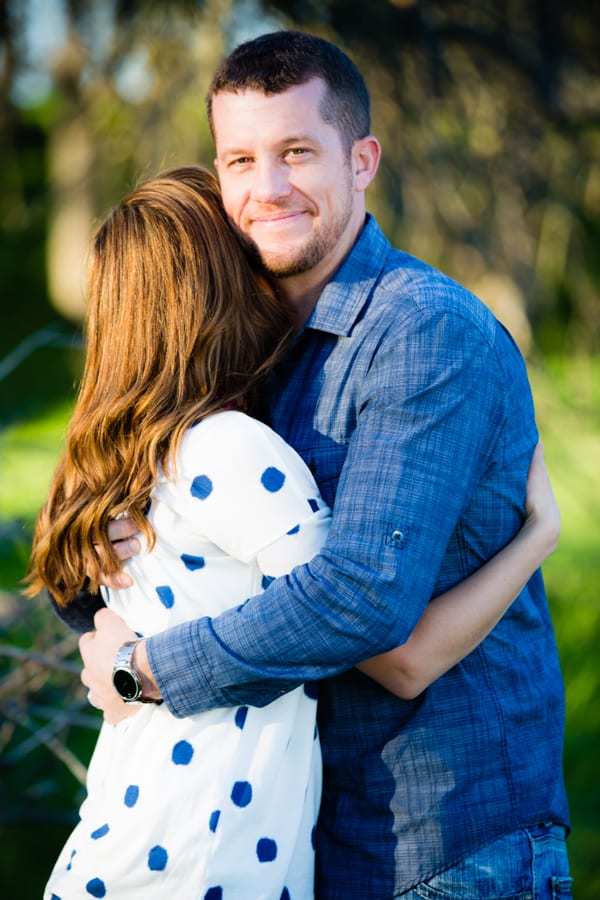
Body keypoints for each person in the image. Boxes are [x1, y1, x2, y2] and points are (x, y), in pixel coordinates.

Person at [48, 30, 571, 899]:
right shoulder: (240, 349)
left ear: (362, 160)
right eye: (240, 160)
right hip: (298, 843)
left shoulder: (420, 330)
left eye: (297, 152)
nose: (267, 189)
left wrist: (150, 670)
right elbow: (87, 530)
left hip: (439, 842)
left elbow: (368, 602)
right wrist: (107, 624)